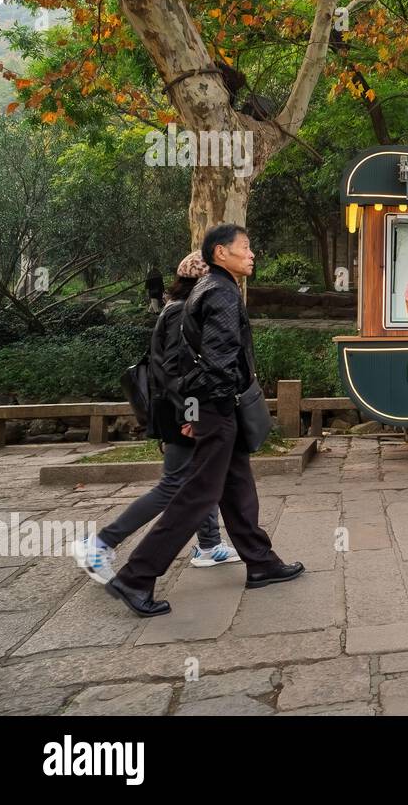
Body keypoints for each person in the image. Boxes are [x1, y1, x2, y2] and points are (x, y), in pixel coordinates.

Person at [105, 224, 304, 617]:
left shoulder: (212, 289)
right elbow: (216, 363)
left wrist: (194, 411)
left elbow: (189, 364)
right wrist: (201, 414)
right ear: (219, 253)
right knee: (197, 496)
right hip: (218, 408)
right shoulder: (220, 293)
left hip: (212, 408)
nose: (251, 255)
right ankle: (136, 575)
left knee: (238, 486)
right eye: (244, 248)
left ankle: (261, 563)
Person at [73, 252, 239, 583]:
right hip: (182, 411)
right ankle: (100, 543)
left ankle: (208, 545)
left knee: (201, 478)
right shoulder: (182, 315)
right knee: (174, 484)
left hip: (182, 409)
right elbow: (179, 375)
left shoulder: (181, 309)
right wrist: (192, 416)